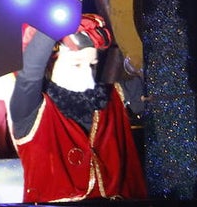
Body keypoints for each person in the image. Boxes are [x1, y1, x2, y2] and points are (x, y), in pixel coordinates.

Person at [8, 13, 147, 201]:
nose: (88, 77)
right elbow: (28, 73)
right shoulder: (29, 110)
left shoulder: (114, 96)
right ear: (48, 65)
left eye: (92, 65)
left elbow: (163, 84)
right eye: (76, 65)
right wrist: (55, 17)